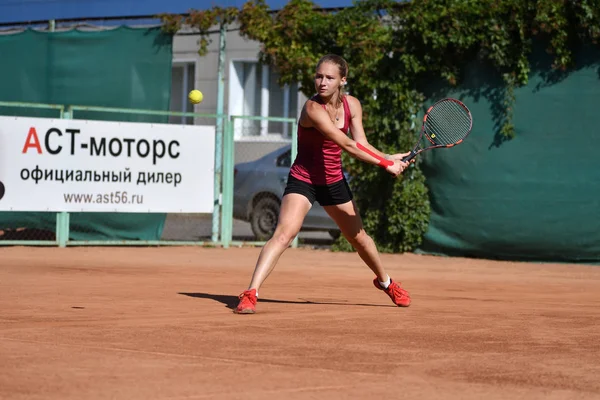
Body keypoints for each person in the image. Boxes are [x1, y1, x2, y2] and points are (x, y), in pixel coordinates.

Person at [234, 54, 412, 314]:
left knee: (359, 238)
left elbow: (360, 142)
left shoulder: (352, 105)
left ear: (343, 80)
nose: (322, 82)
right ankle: (250, 293)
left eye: (329, 77)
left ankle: (386, 282)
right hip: (304, 179)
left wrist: (387, 156)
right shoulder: (312, 109)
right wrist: (386, 166)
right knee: (284, 234)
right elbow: (347, 145)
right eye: (319, 76)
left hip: (333, 181)